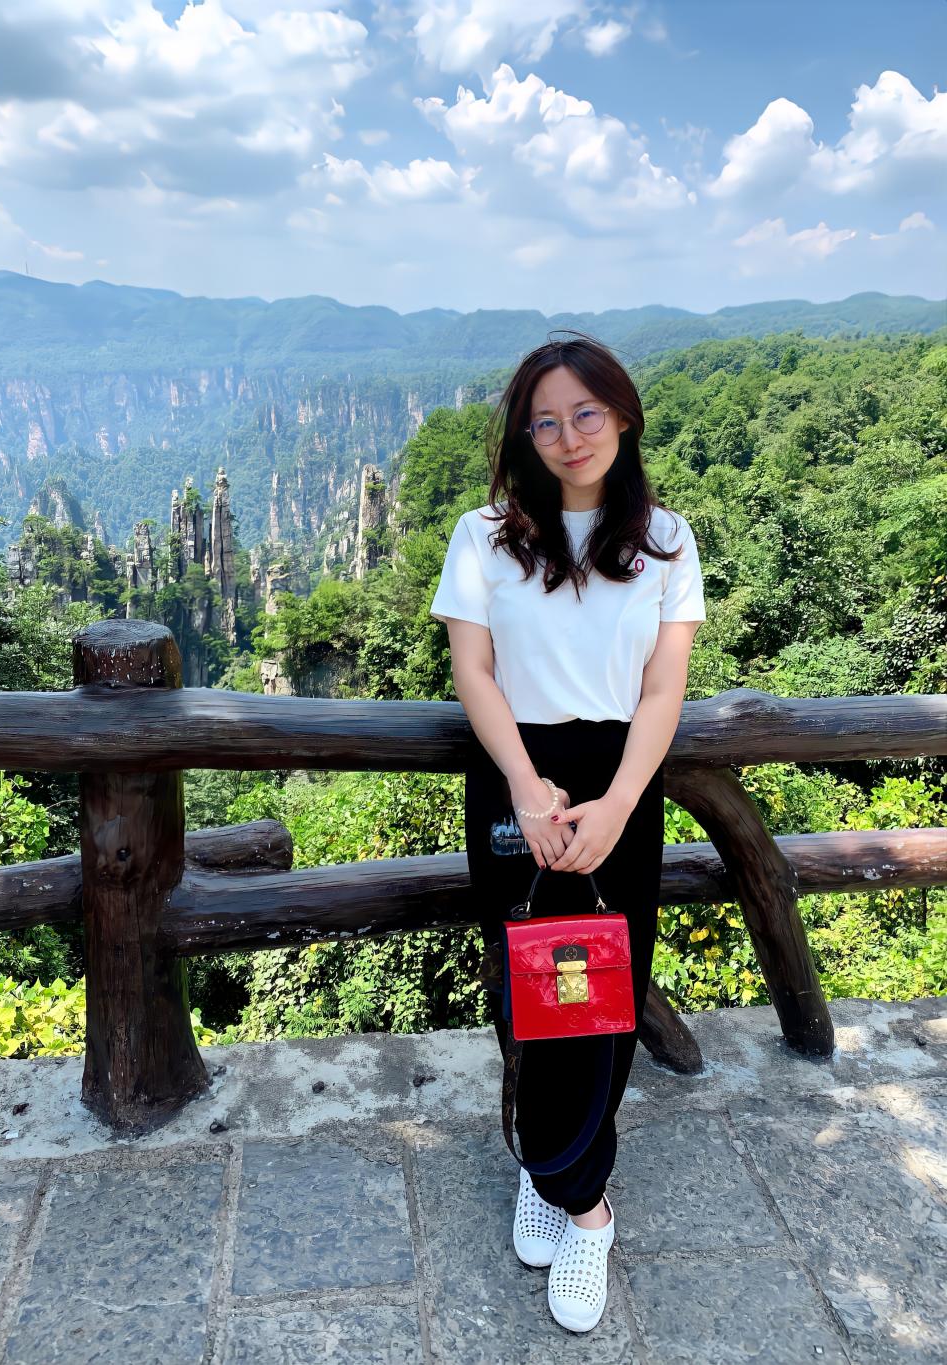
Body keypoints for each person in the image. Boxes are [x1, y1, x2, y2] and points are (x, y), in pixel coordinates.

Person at [428, 330, 707, 1334]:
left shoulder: (666, 541)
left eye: (585, 413)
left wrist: (621, 802)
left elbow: (663, 689)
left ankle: (581, 1202)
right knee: (528, 989)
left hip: (619, 784)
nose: (568, 436)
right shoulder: (484, 537)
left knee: (602, 998)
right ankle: (552, 1171)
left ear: (622, 414)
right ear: (523, 437)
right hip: (518, 779)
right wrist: (525, 787)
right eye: (544, 422)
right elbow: (474, 672)